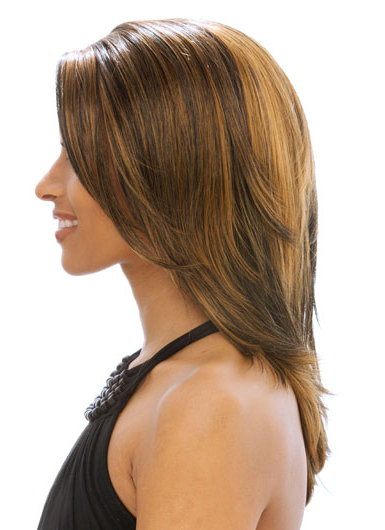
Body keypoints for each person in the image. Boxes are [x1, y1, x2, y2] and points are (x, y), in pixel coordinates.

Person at [34, 18, 330, 530]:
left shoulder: (209, 408)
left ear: (171, 168)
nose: (46, 185)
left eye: (79, 155)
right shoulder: (187, 384)